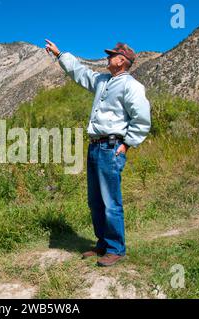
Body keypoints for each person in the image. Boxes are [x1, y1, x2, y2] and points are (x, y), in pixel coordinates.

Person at [45, 39, 151, 267]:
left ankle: (116, 249)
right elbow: (80, 72)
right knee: (95, 201)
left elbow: (142, 119)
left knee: (111, 201)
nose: (107, 57)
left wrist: (127, 144)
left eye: (112, 55)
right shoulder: (103, 81)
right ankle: (102, 243)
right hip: (95, 147)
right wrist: (59, 54)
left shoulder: (131, 86)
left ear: (122, 60)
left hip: (111, 148)